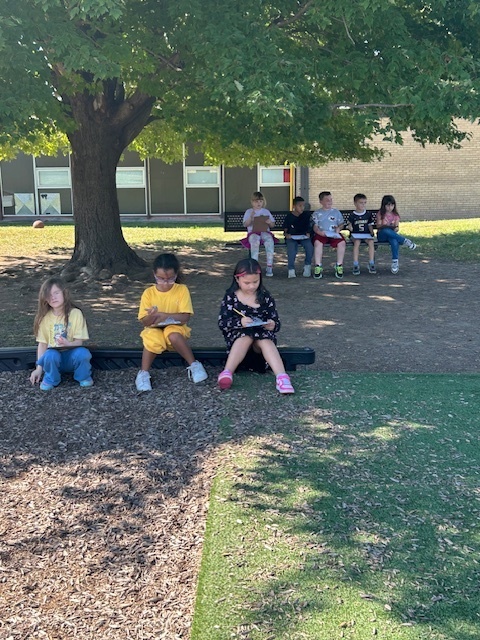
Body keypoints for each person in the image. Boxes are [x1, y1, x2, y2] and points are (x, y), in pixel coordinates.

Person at [217, 258, 294, 394]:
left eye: (255, 282)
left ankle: (282, 377)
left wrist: (272, 324)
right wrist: (239, 323)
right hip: (238, 341)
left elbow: (276, 322)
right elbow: (222, 322)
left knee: (265, 340)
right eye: (247, 283)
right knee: (246, 336)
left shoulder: (265, 296)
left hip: (261, 342)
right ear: (237, 279)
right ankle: (227, 372)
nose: (252, 286)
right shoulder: (231, 296)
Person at [135, 253, 208, 391]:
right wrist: (152, 316)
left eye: (170, 279)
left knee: (173, 334)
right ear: (154, 274)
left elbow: (185, 317)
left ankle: (194, 365)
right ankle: (143, 374)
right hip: (153, 328)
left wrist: (165, 316)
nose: (166, 283)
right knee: (152, 338)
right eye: (161, 279)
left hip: (176, 326)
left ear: (176, 274)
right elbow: (145, 322)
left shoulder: (181, 290)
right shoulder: (149, 293)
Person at [29, 277, 93, 391]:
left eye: (56, 293)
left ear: (64, 293)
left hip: (71, 355)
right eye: (49, 295)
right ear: (45, 299)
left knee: (83, 353)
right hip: (53, 358)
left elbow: (79, 342)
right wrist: (38, 368)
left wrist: (68, 343)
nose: (53, 297)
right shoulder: (45, 318)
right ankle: (51, 378)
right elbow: (42, 345)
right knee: (49, 355)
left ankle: (83, 377)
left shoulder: (75, 314)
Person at [376, 195, 416, 274]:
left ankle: (395, 262)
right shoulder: (380, 213)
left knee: (394, 240)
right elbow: (378, 226)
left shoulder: (395, 215)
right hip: (382, 235)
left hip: (392, 235)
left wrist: (395, 228)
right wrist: (386, 226)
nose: (390, 207)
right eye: (388, 205)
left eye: (392, 205)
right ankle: (404, 240)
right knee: (386, 230)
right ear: (384, 205)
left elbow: (397, 228)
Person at [311, 191, 346, 279]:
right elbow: (315, 226)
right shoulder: (317, 213)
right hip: (322, 233)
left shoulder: (336, 212)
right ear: (321, 201)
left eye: (330, 200)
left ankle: (339, 265)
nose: (329, 202)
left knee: (342, 243)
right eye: (327, 200)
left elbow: (341, 224)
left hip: (334, 233)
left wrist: (339, 228)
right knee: (317, 243)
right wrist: (319, 232)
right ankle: (318, 266)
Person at [241, 191, 276, 277]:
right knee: (255, 242)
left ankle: (269, 266)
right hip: (253, 233)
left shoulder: (266, 211)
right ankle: (254, 267)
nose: (258, 203)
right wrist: (251, 218)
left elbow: (272, 225)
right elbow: (245, 224)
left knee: (269, 241)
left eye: (260, 201)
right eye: (256, 201)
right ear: (252, 202)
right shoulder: (249, 212)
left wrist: (269, 222)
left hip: (264, 232)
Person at [283, 196, 313, 278]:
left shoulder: (306, 215)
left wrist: (308, 233)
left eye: (303, 206)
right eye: (300, 206)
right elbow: (285, 229)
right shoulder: (289, 217)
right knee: (291, 249)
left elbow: (309, 227)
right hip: (292, 237)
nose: (302, 208)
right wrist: (287, 235)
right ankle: (291, 269)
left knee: (309, 247)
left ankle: (307, 266)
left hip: (303, 237)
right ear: (294, 206)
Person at [348, 193, 376, 275]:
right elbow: (349, 225)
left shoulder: (367, 214)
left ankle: (371, 262)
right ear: (355, 203)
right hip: (355, 235)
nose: (363, 205)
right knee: (357, 242)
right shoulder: (352, 215)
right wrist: (350, 227)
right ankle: (355, 264)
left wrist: (371, 232)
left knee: (371, 242)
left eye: (364, 203)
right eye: (361, 203)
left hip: (365, 234)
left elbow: (370, 225)